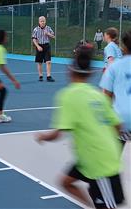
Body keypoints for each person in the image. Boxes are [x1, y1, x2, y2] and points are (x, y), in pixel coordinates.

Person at [36, 45, 125, 209]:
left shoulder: (67, 96)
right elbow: (118, 125)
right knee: (66, 182)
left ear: (69, 71)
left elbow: (58, 134)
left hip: (99, 164)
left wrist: (42, 137)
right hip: (90, 158)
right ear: (91, 73)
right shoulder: (98, 95)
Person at [100, 30, 131, 145]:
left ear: (124, 47)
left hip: (122, 120)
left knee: (112, 157)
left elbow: (106, 99)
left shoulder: (115, 67)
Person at [32, 16, 55, 82]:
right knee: (39, 62)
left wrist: (48, 34)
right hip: (39, 46)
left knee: (48, 61)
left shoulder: (48, 28)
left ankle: (48, 76)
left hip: (47, 46)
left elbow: (53, 36)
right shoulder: (36, 29)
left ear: (45, 21)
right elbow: (34, 39)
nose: (43, 22)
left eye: (44, 21)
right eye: (41, 21)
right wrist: (37, 46)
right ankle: (40, 75)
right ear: (39, 22)